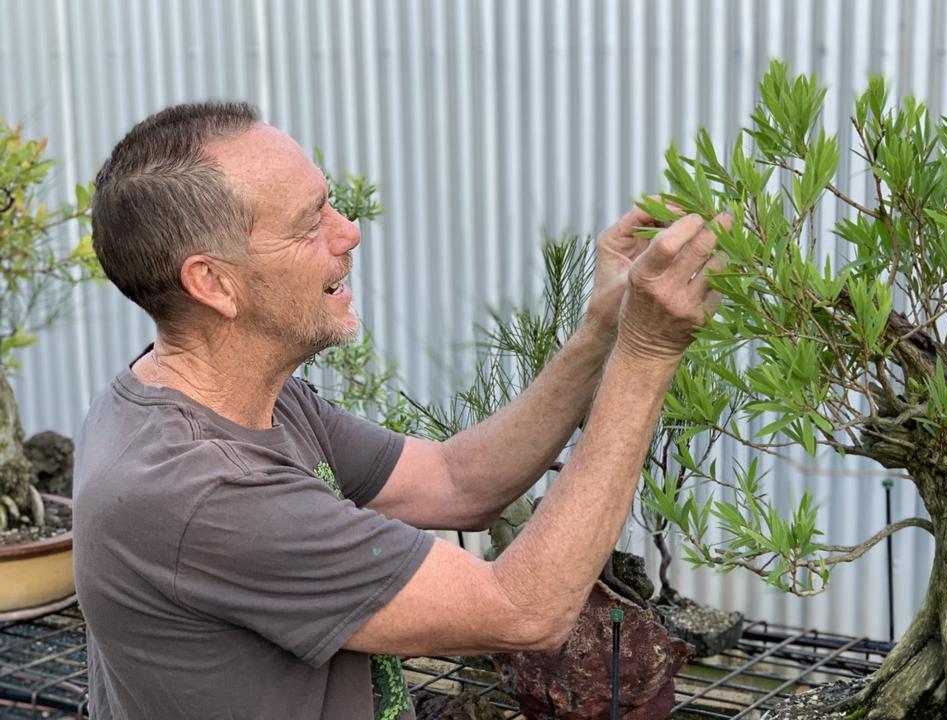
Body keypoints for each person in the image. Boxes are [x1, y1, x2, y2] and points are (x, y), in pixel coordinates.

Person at [73, 102, 728, 719]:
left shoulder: (225, 397)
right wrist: (646, 353)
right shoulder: (205, 491)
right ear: (213, 283)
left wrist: (600, 332)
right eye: (310, 224)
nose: (348, 232)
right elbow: (522, 611)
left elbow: (457, 481)